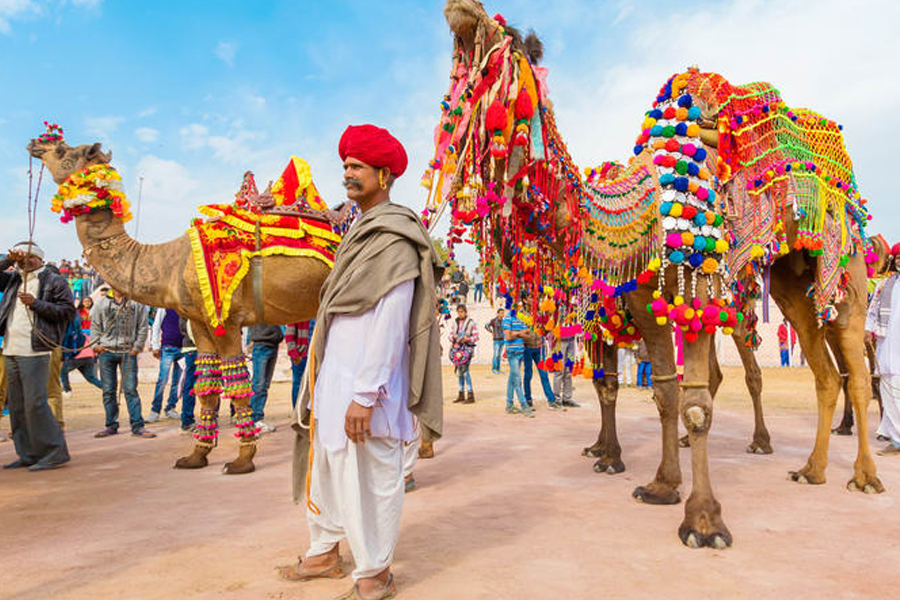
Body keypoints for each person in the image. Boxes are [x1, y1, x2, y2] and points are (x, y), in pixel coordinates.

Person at [283, 124, 443, 600]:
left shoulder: (393, 236)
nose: (347, 174)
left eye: (357, 167)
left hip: (368, 387)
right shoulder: (358, 232)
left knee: (370, 476)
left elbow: (392, 321)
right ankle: (325, 550)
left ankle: (375, 572)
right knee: (329, 465)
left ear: (384, 174)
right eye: (346, 166)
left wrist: (365, 393)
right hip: (334, 378)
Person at [0, 242, 73, 470]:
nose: (26, 261)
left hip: (35, 349)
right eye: (22, 257)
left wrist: (37, 304)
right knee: (18, 405)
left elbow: (67, 311)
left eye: (31, 257)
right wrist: (8, 260)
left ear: (41, 259)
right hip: (11, 348)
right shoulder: (13, 278)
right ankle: (28, 453)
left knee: (35, 403)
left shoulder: (54, 280)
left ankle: (54, 451)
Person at [91, 288, 156, 438]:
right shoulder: (101, 304)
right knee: (108, 390)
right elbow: (95, 325)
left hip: (128, 352)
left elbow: (143, 326)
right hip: (106, 352)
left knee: (130, 390)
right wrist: (96, 346)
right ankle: (111, 425)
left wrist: (137, 348)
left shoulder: (136, 304)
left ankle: (138, 426)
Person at [866, 243, 900, 456]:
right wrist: (868, 329)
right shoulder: (884, 285)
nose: (899, 261)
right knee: (888, 391)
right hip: (887, 346)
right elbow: (873, 310)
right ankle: (896, 440)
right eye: (897, 258)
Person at [148, 308, 185, 422]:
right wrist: (155, 346)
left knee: (178, 382)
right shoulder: (165, 307)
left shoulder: (185, 307)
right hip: (168, 348)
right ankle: (155, 410)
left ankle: (170, 407)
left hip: (184, 349)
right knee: (162, 379)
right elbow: (156, 325)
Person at [247, 324, 284, 434]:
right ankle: (254, 419)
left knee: (264, 384)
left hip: (273, 344)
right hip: (261, 345)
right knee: (259, 384)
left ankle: (258, 417)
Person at [60, 310, 102, 394]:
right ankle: (107, 389)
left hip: (77, 357)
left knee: (63, 371)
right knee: (91, 378)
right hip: (89, 357)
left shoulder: (70, 334)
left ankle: (67, 390)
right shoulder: (85, 332)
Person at [503, 302, 534, 416]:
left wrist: (515, 333)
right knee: (517, 379)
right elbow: (508, 336)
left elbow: (528, 335)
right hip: (512, 352)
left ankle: (509, 404)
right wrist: (520, 333)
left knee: (512, 379)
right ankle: (524, 405)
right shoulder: (507, 319)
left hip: (519, 352)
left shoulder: (520, 319)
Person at [523, 326, 562, 410]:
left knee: (544, 374)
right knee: (528, 375)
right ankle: (528, 399)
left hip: (539, 349)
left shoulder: (541, 315)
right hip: (527, 348)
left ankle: (551, 401)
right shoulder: (523, 316)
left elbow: (547, 330)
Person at [449, 304, 477, 404]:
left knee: (465, 372)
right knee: (460, 372)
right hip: (457, 351)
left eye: (462, 312)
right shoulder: (455, 323)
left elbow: (476, 337)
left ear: (465, 312)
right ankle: (461, 393)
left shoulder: (471, 323)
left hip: (467, 350)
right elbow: (450, 335)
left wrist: (467, 339)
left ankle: (470, 394)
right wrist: (454, 337)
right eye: (459, 312)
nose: (460, 314)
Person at [552, 309, 580, 408]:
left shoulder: (573, 305)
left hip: (571, 340)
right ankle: (556, 398)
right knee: (559, 370)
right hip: (560, 341)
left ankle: (567, 398)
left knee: (568, 370)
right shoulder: (558, 303)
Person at [286, 320, 315, 409]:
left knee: (314, 385)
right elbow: (289, 335)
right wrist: (294, 354)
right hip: (301, 356)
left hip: (315, 356)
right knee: (298, 384)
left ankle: (309, 414)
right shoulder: (299, 314)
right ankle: (297, 412)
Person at [485, 308, 506, 374]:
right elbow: (486, 326)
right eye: (501, 313)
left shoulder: (504, 321)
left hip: (502, 340)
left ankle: (498, 368)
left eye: (503, 313)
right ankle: (494, 369)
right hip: (496, 340)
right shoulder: (493, 321)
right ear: (498, 313)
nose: (502, 314)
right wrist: (491, 332)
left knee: (499, 355)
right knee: (496, 355)